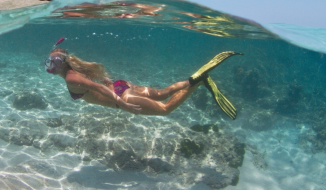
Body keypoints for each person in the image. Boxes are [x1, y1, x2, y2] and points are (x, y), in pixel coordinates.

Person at [45, 38, 242, 119]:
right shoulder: (74, 67)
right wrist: (109, 83)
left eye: (54, 62)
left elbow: (100, 90)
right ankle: (192, 80)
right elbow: (101, 84)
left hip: (123, 98)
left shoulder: (71, 78)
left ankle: (199, 81)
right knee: (163, 93)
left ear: (63, 63)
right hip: (122, 85)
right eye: (49, 62)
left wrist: (124, 105)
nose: (50, 66)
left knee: (165, 109)